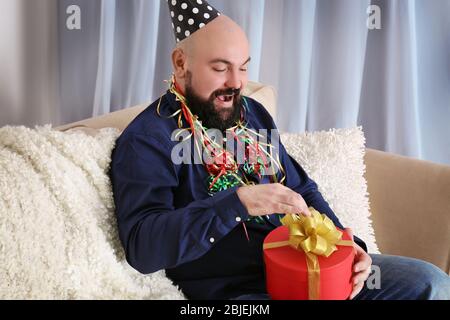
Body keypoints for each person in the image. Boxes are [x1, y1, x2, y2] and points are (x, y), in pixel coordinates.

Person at [110, 0, 450, 300]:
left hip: (310, 269)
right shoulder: (147, 139)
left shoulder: (252, 114)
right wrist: (237, 202)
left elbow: (301, 189)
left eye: (242, 67)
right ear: (181, 62)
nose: (236, 82)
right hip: (243, 292)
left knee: (429, 283)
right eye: (220, 68)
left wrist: (346, 246)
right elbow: (143, 247)